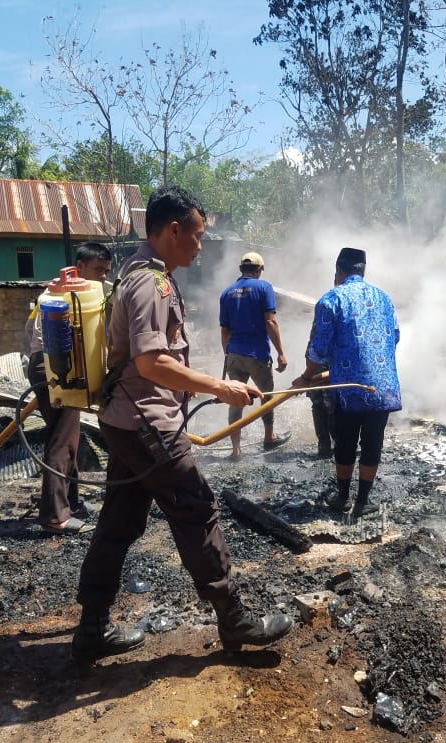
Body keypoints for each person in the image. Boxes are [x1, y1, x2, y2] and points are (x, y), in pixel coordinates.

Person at [71, 186, 293, 663]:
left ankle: (91, 628)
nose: (201, 245)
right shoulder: (152, 284)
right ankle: (234, 619)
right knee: (196, 508)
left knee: (118, 522)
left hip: (123, 420)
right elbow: (152, 363)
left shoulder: (133, 272)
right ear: (173, 231)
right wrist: (220, 387)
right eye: (197, 235)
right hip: (147, 421)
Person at [292, 247, 402, 519]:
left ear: (338, 271)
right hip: (383, 386)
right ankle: (363, 502)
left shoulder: (331, 299)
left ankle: (342, 497)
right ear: (362, 271)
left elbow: (318, 349)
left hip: (346, 389)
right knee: (373, 442)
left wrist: (307, 377)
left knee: (345, 442)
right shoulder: (385, 298)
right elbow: (395, 336)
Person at [26, 242, 112, 534]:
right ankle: (54, 516)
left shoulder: (58, 295)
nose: (102, 276)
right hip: (56, 369)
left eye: (106, 271)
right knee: (61, 442)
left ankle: (72, 502)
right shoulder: (62, 297)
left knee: (68, 438)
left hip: (51, 366)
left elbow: (29, 331)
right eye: (98, 270)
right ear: (80, 266)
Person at [218, 251, 289, 460]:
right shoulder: (264, 287)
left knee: (235, 399)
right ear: (259, 269)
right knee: (266, 397)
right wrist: (281, 353)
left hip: (234, 354)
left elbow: (225, 330)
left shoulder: (226, 293)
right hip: (257, 354)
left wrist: (228, 354)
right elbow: (270, 322)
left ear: (241, 269)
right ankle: (269, 437)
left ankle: (236, 449)